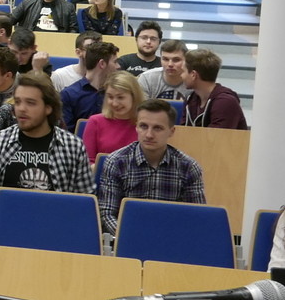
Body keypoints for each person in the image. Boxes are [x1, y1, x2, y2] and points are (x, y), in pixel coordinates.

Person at [0, 72, 93, 220]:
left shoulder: (73, 147)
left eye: (30, 103)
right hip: (6, 224)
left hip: (55, 225)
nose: (21, 108)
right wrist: (2, 216)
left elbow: (85, 198)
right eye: (17, 102)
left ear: (48, 108)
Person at [94, 100, 205, 236]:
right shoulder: (116, 162)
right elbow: (106, 214)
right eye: (143, 126)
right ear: (136, 127)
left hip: (172, 239)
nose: (149, 135)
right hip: (127, 238)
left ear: (171, 131)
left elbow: (196, 217)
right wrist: (131, 236)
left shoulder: (188, 167)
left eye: (157, 128)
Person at [82, 70, 145, 160]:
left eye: (120, 97)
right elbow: (88, 161)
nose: (114, 103)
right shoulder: (95, 122)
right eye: (110, 97)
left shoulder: (146, 124)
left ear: (134, 97)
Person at [60, 40, 120, 130]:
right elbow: (66, 133)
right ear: (102, 64)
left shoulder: (118, 93)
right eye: (115, 62)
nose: (118, 66)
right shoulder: (68, 95)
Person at [182, 49, 249, 129]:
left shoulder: (225, 102)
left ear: (193, 75)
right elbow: (182, 130)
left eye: (183, 71)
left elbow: (216, 136)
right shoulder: (190, 98)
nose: (181, 75)